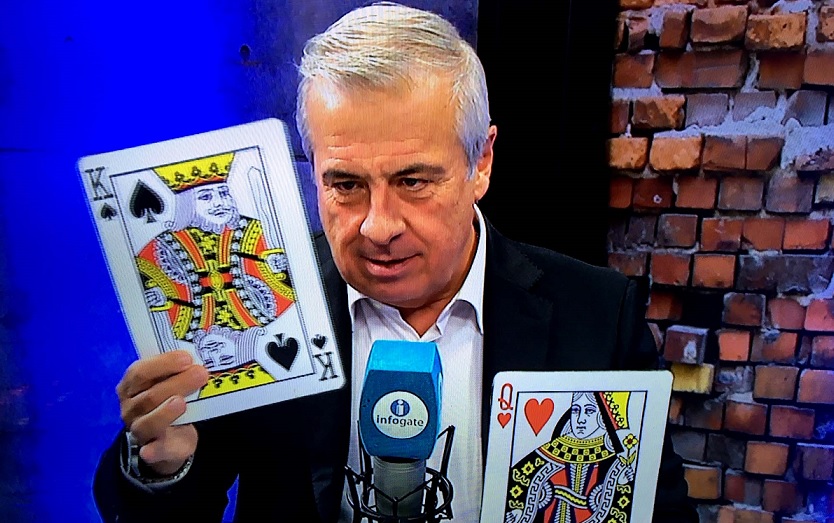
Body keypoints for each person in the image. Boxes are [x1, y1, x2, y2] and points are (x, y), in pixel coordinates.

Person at [93, 3, 696, 522]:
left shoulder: (597, 315)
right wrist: (163, 467)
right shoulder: (255, 302)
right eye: (345, 185)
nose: (378, 227)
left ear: (481, 163)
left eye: (413, 181)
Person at [136, 153, 294, 395]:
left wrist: (278, 267)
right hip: (198, 350)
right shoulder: (164, 245)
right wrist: (157, 297)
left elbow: (286, 286)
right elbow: (146, 282)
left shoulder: (254, 230)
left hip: (251, 343)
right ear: (187, 204)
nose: (219, 203)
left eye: (224, 193)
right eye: (206, 197)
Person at [503, 392, 639, 523]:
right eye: (575, 410)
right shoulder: (550, 451)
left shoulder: (614, 462)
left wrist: (621, 484)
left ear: (601, 416)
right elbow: (519, 480)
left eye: (589, 411)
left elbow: (623, 509)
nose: (580, 419)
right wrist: (517, 511)